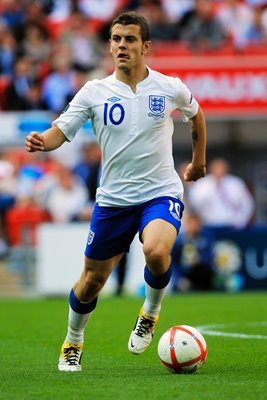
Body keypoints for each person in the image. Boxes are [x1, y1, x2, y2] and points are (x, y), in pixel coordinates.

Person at [25, 11, 207, 372]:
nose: (122, 45)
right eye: (116, 39)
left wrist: (198, 162)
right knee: (92, 281)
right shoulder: (94, 92)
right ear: (109, 45)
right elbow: (60, 130)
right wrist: (41, 142)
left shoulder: (169, 87)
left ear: (146, 46)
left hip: (160, 191)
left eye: (130, 40)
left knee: (156, 251)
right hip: (113, 200)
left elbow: (196, 115)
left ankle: (150, 312)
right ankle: (73, 341)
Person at [187, 158, 255, 228]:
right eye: (216, 169)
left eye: (221, 168)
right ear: (211, 169)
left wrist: (242, 222)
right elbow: (194, 204)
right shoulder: (201, 184)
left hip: (232, 226)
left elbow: (247, 204)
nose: (219, 171)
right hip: (208, 225)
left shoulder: (236, 183)